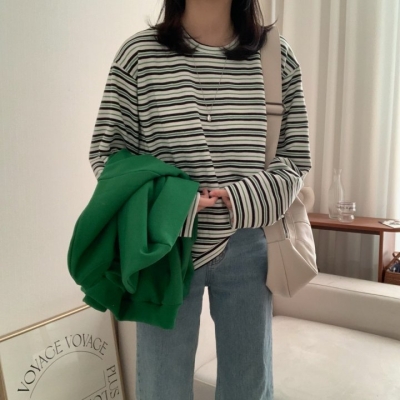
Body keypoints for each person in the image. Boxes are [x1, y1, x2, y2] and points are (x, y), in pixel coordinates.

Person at [89, 0, 311, 398]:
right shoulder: (140, 55)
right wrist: (173, 203)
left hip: (249, 243)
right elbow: (109, 157)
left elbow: (295, 160)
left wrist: (241, 198)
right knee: (161, 386)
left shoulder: (276, 57)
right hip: (163, 249)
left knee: (249, 387)